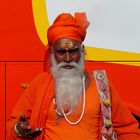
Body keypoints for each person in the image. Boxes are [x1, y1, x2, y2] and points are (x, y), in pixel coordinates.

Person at [6, 12, 140, 140]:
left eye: (73, 51)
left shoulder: (101, 85)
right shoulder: (39, 83)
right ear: (52, 53)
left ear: (82, 51)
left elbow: (128, 129)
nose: (68, 58)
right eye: (61, 52)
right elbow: (12, 123)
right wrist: (18, 129)